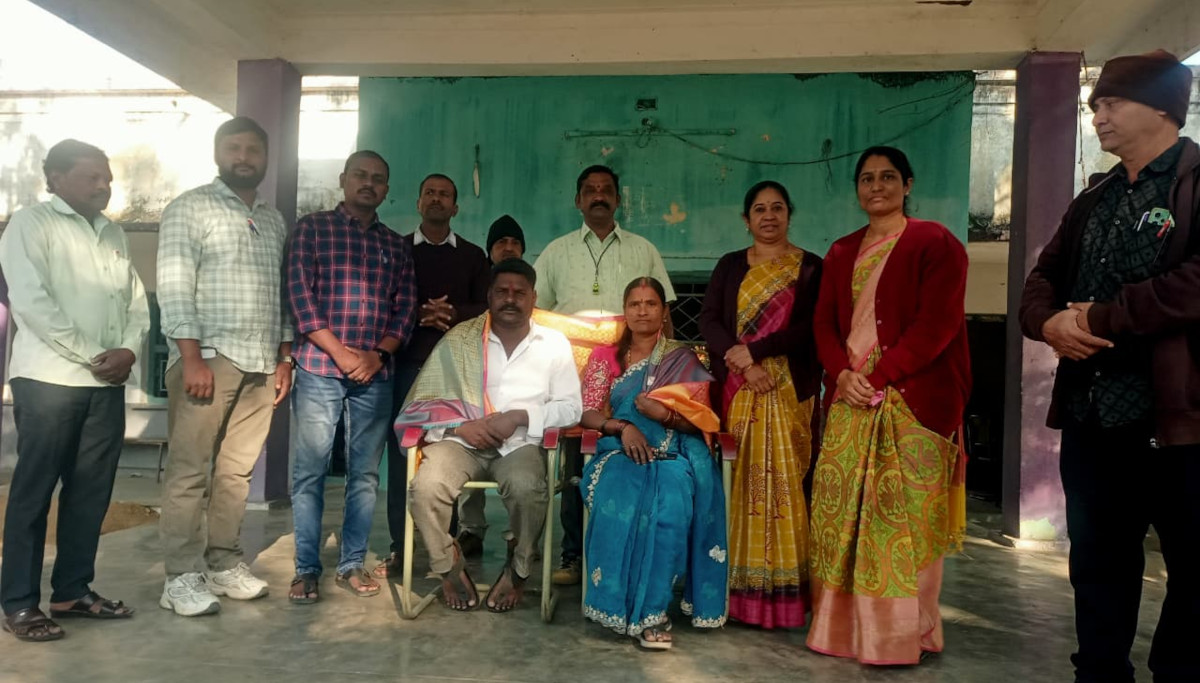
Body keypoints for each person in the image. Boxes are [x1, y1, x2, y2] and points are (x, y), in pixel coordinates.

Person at [1019, 51, 1199, 682]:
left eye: (1111, 103)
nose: (1097, 115)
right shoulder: (1093, 196)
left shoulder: (1195, 183)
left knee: (1193, 569)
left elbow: (1195, 284)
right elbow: (1042, 276)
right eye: (1095, 104)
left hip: (1179, 422)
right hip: (1092, 415)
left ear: (1162, 108)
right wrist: (1048, 323)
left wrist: (1102, 318)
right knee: (1097, 566)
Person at [807, 146, 970, 665]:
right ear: (857, 189)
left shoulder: (934, 242)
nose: (876, 186)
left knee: (905, 524)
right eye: (867, 179)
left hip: (912, 404)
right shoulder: (841, 251)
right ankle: (840, 632)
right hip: (849, 400)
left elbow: (937, 325)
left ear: (908, 184)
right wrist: (843, 375)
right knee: (840, 520)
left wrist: (877, 377)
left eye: (887, 177)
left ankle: (904, 636)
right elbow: (823, 324)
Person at [0, 140, 148, 641]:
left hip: (104, 384)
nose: (104, 186)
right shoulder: (30, 224)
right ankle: (20, 603)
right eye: (92, 177)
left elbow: (135, 301)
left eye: (108, 178)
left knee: (90, 493)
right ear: (55, 179)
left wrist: (128, 350)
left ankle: (71, 590)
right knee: (34, 492)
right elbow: (32, 302)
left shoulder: (113, 232)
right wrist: (95, 356)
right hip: (49, 381)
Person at [156, 117, 294, 616]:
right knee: (190, 470)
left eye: (253, 149)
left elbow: (281, 294)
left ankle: (223, 562)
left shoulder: (273, 220)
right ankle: (179, 577)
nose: (244, 157)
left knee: (237, 471)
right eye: (234, 148)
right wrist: (191, 356)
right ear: (218, 154)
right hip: (210, 358)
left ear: (265, 157)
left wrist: (284, 357)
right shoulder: (189, 208)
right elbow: (174, 286)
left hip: (261, 362)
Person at [395, 258, 582, 612]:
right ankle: (448, 565)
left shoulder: (553, 344)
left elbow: (571, 409)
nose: (510, 299)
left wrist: (519, 417)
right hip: (461, 442)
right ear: (489, 295)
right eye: (502, 291)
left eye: (519, 293)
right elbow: (427, 401)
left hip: (520, 444)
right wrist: (460, 426)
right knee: (426, 487)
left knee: (527, 488)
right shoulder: (460, 339)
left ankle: (519, 568)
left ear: (533, 297)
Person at [534, 164, 675, 585]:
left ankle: (632, 552)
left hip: (633, 371)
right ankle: (574, 556)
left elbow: (663, 316)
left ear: (618, 199)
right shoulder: (556, 252)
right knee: (574, 462)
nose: (599, 196)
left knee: (637, 454)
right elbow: (535, 313)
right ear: (578, 200)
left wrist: (665, 370)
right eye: (590, 190)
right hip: (573, 378)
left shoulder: (643, 250)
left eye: (606, 190)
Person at [285, 151, 416, 603]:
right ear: (343, 180)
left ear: (386, 189)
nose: (368, 183)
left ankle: (351, 564)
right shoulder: (311, 230)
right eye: (360, 175)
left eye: (378, 179)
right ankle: (306, 568)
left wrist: (377, 356)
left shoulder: (396, 245)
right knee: (310, 471)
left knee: (364, 475)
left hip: (375, 374)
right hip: (319, 368)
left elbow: (405, 310)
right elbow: (301, 299)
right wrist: (341, 354)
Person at [698, 180, 822, 629]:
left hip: (789, 391)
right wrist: (743, 363)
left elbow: (811, 328)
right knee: (739, 484)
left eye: (777, 208)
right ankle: (733, 592)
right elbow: (709, 320)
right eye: (759, 209)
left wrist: (757, 351)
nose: (769, 216)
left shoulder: (810, 268)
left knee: (788, 488)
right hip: (738, 389)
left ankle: (787, 597)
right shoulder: (731, 265)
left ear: (789, 214)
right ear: (746, 219)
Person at [580, 277, 727, 651]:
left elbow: (702, 421)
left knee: (670, 504)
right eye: (635, 304)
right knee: (620, 495)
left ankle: (652, 614)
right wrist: (623, 426)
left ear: (664, 312)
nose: (642, 311)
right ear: (625, 311)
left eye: (650, 304)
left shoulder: (684, 359)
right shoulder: (606, 357)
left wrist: (664, 415)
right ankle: (614, 606)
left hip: (672, 455)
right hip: (618, 452)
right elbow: (587, 412)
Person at [375, 174, 490, 578]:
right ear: (418, 203)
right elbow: (382, 301)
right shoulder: (398, 249)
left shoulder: (473, 256)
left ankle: (447, 542)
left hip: (455, 372)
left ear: (455, 207)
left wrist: (451, 313)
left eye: (445, 194)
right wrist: (418, 314)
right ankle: (400, 547)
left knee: (448, 454)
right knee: (402, 454)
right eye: (430, 193)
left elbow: (487, 307)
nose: (437, 199)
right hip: (405, 365)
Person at [452, 214, 531, 558]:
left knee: (522, 463)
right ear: (490, 250)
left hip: (520, 386)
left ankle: (519, 535)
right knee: (473, 444)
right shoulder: (478, 278)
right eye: (501, 242)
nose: (509, 247)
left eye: (515, 242)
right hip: (475, 381)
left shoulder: (528, 284)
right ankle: (471, 529)